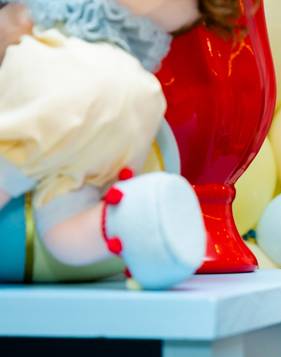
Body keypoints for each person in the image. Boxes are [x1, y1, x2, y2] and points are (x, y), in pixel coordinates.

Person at [0, 0, 244, 288]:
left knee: (10, 168)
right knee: (63, 225)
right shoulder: (174, 19)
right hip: (134, 103)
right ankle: (128, 218)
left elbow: (12, 24)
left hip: (66, 87)